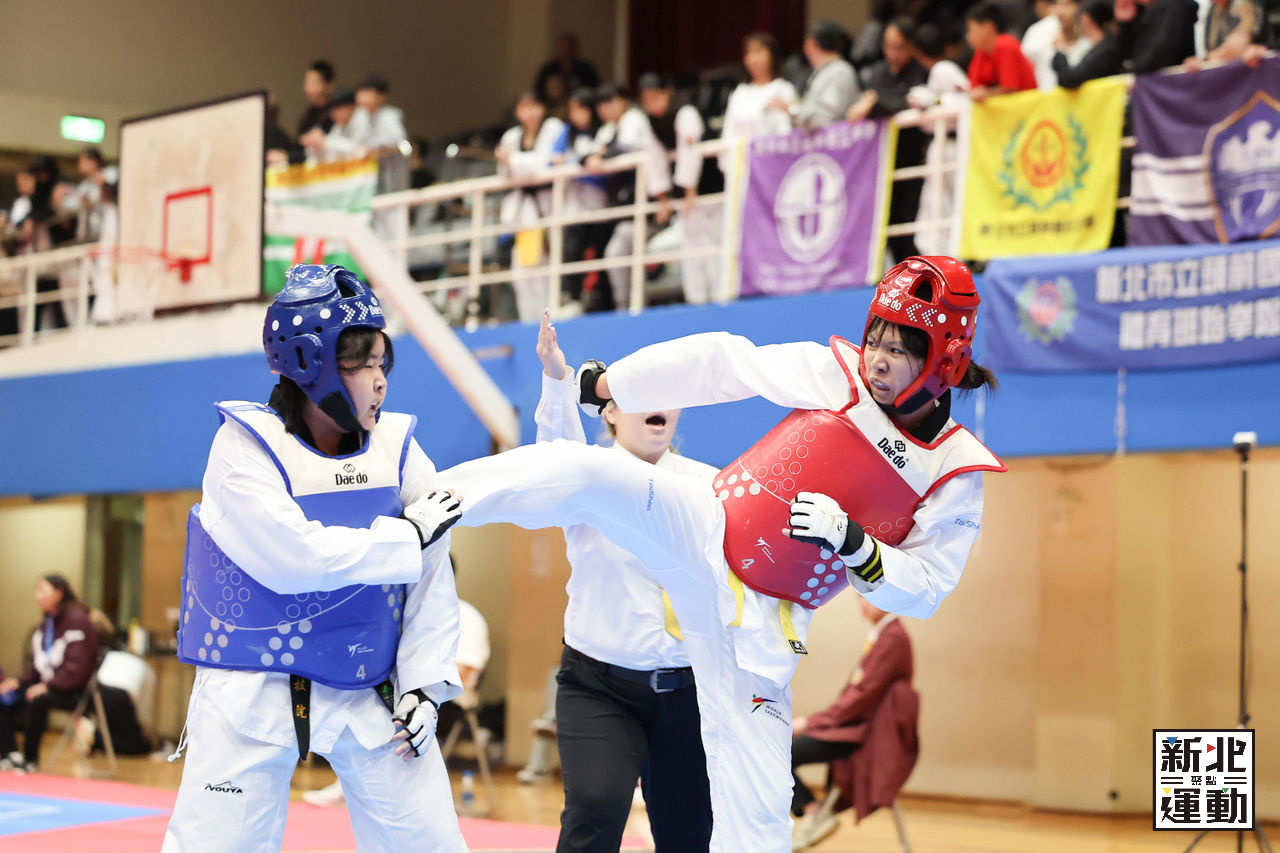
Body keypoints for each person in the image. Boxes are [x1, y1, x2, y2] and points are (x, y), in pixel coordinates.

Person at [439, 255, 1004, 851]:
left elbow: (928, 588)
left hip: (757, 628)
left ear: (944, 359)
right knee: (587, 472)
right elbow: (725, 362)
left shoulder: (952, 469)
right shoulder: (838, 376)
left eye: (900, 349)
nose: (878, 360)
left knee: (760, 818)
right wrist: (610, 386)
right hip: (707, 527)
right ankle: (433, 502)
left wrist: (855, 544)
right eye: (876, 340)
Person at [162, 264, 467, 852]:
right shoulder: (244, 445)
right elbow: (292, 557)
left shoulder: (400, 449)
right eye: (362, 363)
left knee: (430, 843)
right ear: (311, 365)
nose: (380, 381)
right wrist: (405, 535)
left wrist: (425, 685)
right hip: (253, 681)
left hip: (370, 682)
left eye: (383, 362)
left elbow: (432, 575)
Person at [534, 312, 715, 851]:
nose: (657, 402)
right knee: (595, 810)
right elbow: (553, 456)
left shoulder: (711, 487)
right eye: (639, 391)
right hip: (599, 685)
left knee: (690, 835)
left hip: (689, 689)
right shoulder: (589, 475)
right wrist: (556, 379)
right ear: (609, 410)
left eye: (667, 393)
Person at [304, 556, 491, 809]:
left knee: (388, 706)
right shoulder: (402, 608)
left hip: (448, 697)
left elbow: (468, 671)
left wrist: (424, 685)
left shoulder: (466, 615)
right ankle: (349, 783)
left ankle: (353, 787)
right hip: (402, 688)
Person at [789, 598, 916, 850]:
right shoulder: (884, 634)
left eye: (869, 598)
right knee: (786, 749)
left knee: (783, 752)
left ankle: (813, 811)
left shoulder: (892, 637)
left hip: (864, 733)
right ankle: (814, 812)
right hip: (858, 726)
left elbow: (861, 696)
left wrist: (811, 722)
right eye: (859, 598)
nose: (862, 604)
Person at [845, 18, 930, 265]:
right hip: (878, 163)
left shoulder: (920, 71)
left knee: (905, 228)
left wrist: (874, 104)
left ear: (911, 46)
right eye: (888, 46)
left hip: (911, 160)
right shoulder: (878, 72)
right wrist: (868, 104)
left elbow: (905, 103)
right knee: (884, 230)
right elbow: (864, 106)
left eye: (899, 47)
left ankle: (923, 279)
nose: (892, 53)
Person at [0, 575, 99, 771]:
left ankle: (30, 759)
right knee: (3, 694)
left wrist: (48, 686)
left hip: (71, 690)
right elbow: (39, 667)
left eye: (42, 590)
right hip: (47, 685)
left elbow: (78, 666)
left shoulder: (77, 619)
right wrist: (18, 682)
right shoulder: (47, 624)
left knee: (38, 698)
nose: (37, 596)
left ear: (58, 593)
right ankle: (11, 754)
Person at [496, 91, 568, 323]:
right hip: (523, 212)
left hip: (550, 204)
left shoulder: (553, 128)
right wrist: (514, 165)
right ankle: (529, 322)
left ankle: (551, 320)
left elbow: (544, 165)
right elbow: (504, 173)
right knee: (523, 271)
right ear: (517, 112)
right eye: (524, 107)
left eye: (534, 106)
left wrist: (514, 161)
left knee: (550, 267)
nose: (529, 113)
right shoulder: (511, 137)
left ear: (542, 108)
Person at [905, 23, 971, 256]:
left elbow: (966, 100)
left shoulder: (945, 69)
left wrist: (932, 102)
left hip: (953, 143)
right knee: (936, 203)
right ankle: (940, 255)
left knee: (949, 202)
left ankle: (952, 255)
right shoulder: (937, 71)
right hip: (942, 144)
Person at [720, 33, 796, 192]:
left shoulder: (783, 89)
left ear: (772, 55)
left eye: (759, 51)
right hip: (740, 170)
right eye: (749, 53)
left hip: (771, 171)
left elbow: (785, 133)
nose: (753, 59)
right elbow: (729, 131)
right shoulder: (740, 93)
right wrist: (726, 166)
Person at [781, 20, 860, 129]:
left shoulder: (839, 71)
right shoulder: (824, 71)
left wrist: (792, 108)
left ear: (811, 43)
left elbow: (827, 117)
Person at [966, 2, 1038, 101]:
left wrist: (985, 93)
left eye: (971, 30)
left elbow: (1010, 89)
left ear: (988, 27)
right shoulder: (981, 52)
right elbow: (973, 87)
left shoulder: (1005, 44)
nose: (968, 37)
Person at [1114, 0, 1197, 73]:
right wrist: (1125, 24)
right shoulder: (1141, 10)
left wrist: (1132, 71)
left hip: (1171, 79)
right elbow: (1125, 55)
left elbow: (1161, 50)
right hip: (1152, 78)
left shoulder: (1173, 6)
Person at [1052, 0, 1122, 87]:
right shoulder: (1107, 44)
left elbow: (1071, 78)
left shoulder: (1104, 50)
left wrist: (1060, 51)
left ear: (1087, 19)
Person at [297, 59, 336, 142]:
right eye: (307, 82)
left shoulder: (335, 112)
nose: (307, 88)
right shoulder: (309, 114)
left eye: (313, 83)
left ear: (329, 85)